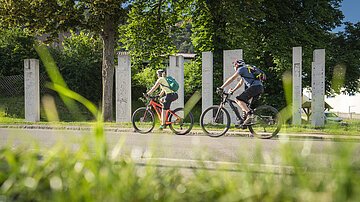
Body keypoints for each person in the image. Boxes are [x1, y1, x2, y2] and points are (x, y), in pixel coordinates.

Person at [218, 59, 264, 125]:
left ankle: (249, 114)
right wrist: (233, 90)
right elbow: (240, 83)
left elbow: (232, 78)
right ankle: (244, 124)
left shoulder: (241, 69)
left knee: (238, 99)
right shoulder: (247, 70)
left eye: (234, 66)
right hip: (259, 87)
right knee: (245, 105)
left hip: (254, 87)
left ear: (236, 65)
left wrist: (221, 87)